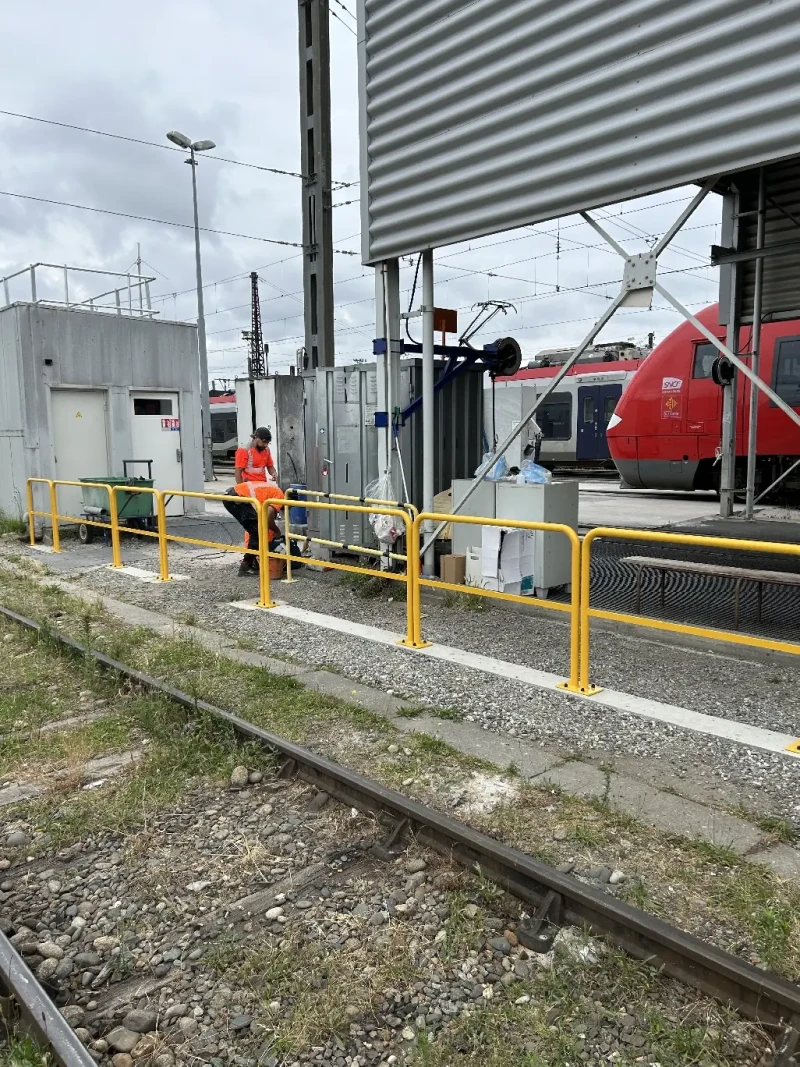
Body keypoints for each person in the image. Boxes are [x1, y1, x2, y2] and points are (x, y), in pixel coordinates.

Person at [223, 427, 284, 576]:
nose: (265, 445)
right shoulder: (244, 451)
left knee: (260, 526)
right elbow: (238, 471)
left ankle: (257, 556)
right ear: (256, 438)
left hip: (261, 491)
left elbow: (269, 466)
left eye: (267, 443)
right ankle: (250, 560)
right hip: (249, 493)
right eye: (263, 442)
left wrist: (273, 473)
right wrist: (242, 494)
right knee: (255, 528)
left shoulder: (266, 451)